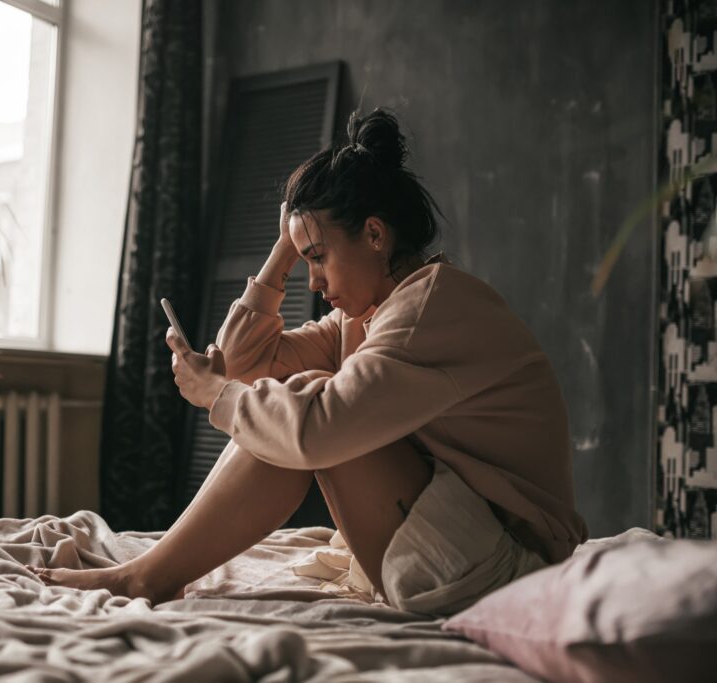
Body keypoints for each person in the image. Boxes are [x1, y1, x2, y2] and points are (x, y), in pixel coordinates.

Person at [30, 108, 588, 615]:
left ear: (374, 233)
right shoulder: (369, 315)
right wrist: (286, 245)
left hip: (510, 570)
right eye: (305, 260)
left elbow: (311, 428)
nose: (314, 282)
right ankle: (153, 574)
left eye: (317, 259)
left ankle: (147, 576)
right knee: (296, 394)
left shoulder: (431, 307)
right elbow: (248, 364)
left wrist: (214, 396)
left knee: (312, 404)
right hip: (464, 543)